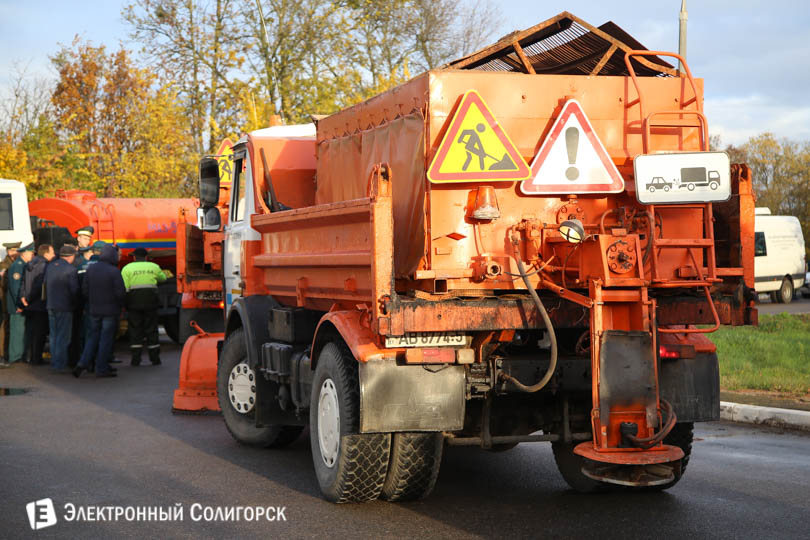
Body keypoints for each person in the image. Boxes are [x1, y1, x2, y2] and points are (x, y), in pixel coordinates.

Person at [73, 244, 125, 378]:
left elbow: (84, 290)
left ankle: (82, 363)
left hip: (94, 309)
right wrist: (120, 306)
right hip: (110, 310)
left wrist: (91, 302)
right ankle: (101, 368)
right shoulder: (114, 271)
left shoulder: (91, 269)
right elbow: (120, 293)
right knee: (105, 339)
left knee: (92, 337)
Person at [121, 247, 167, 366]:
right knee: (152, 329)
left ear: (134, 257)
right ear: (146, 257)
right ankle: (155, 359)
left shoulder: (127, 268)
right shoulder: (154, 266)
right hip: (151, 303)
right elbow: (163, 278)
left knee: (135, 330)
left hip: (133, 304)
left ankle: (136, 359)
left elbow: (124, 288)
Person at [45, 245, 79, 373]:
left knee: (54, 336)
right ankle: (60, 364)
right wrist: (75, 304)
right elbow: (74, 290)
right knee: (63, 337)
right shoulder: (71, 269)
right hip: (64, 307)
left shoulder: (50, 267)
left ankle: (55, 363)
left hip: (51, 305)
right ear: (70, 256)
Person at [21, 244, 55, 365]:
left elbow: (24, 282)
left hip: (30, 304)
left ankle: (32, 356)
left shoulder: (29, 264)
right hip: (39, 303)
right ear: (45, 254)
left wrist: (24, 297)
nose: (54, 255)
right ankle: (36, 358)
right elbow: (39, 286)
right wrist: (30, 298)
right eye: (52, 252)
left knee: (33, 332)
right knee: (40, 333)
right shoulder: (44, 266)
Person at [6, 242, 34, 364]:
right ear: (25, 253)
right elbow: (15, 287)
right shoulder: (17, 266)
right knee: (17, 331)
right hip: (16, 305)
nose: (32, 255)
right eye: (31, 253)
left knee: (21, 330)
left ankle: (20, 354)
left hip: (19, 304)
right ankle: (15, 356)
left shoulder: (23, 264)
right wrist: (19, 305)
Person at [68, 244, 94, 367]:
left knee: (82, 333)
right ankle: (89, 362)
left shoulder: (78, 266)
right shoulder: (93, 266)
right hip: (90, 306)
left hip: (81, 306)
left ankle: (81, 359)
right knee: (91, 334)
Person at [0, 241, 21, 366]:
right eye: (13, 251)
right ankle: (2, 354)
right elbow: (5, 284)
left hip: (7, 301)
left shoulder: (12, 264)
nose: (16, 253)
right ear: (9, 252)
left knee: (8, 328)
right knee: (4, 328)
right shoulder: (4, 266)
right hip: (4, 301)